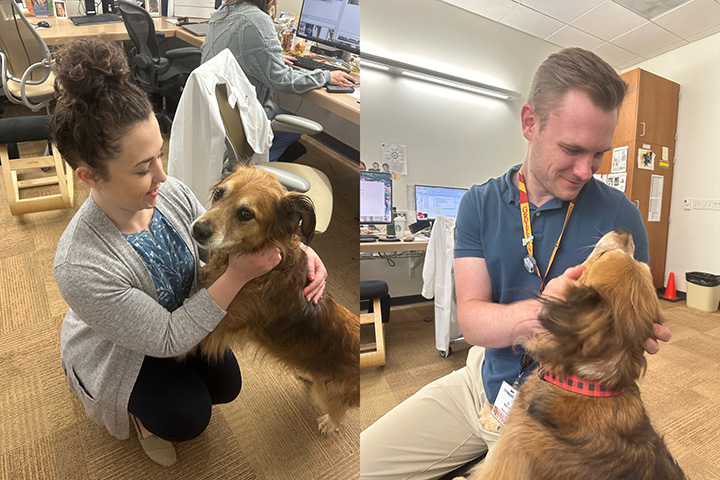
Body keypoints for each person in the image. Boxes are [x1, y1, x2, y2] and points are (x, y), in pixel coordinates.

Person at [359, 47, 673, 480]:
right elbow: (472, 321)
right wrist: (549, 315)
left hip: (566, 411)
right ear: (530, 123)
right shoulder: (479, 204)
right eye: (572, 149)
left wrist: (635, 327)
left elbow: (627, 335)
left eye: (599, 154)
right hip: (485, 381)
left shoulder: (622, 217)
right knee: (365, 464)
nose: (586, 171)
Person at [51, 38, 328, 467]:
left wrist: (300, 252)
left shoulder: (170, 193)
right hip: (121, 350)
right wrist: (236, 278)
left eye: (159, 155)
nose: (163, 175)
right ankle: (139, 416)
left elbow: (225, 240)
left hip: (183, 311)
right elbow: (165, 337)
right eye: (143, 168)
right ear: (90, 176)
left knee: (226, 385)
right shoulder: (82, 265)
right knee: (187, 416)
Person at [201, 0, 357, 162]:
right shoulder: (257, 19)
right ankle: (254, 168)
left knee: (284, 116)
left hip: (218, 109)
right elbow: (282, 80)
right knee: (290, 130)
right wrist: (327, 76)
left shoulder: (223, 11)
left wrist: (269, 55)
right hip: (241, 115)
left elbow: (237, 49)